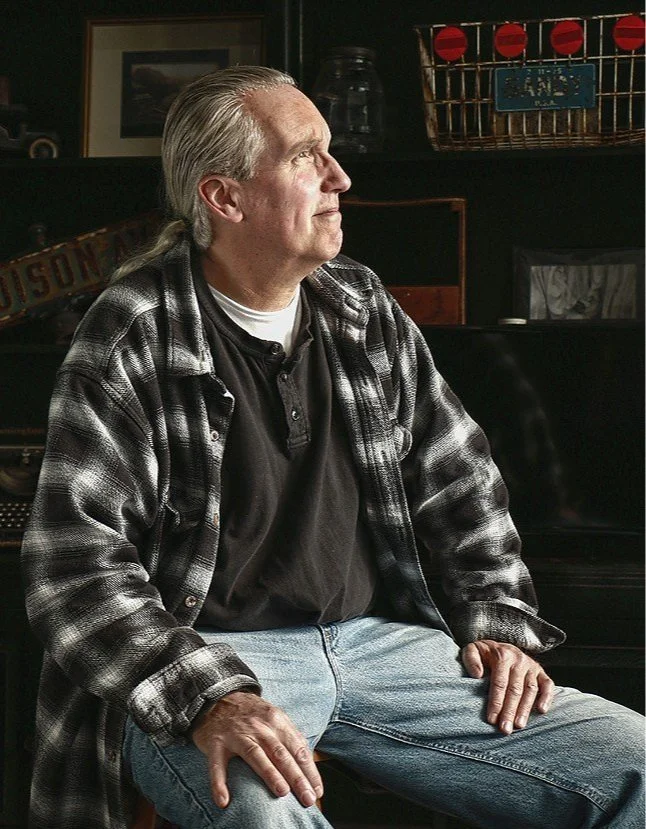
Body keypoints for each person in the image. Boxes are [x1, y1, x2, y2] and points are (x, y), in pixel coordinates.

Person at [21, 66, 643, 829]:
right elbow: (71, 564)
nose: (340, 177)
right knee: (260, 812)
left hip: (377, 648)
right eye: (305, 156)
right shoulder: (133, 331)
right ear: (224, 197)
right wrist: (208, 695)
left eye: (330, 153)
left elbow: (460, 479)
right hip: (210, 658)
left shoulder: (361, 306)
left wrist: (496, 617)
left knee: (635, 762)